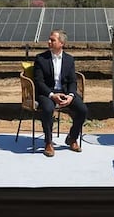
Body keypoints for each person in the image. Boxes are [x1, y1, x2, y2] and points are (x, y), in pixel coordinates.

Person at [32, 29, 88, 158]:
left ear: (61, 43)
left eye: (52, 40)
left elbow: (72, 81)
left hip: (65, 93)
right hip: (47, 93)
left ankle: (72, 138)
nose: (49, 42)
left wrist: (71, 96)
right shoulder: (41, 58)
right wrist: (52, 95)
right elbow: (39, 82)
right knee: (47, 109)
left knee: (83, 110)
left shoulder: (69, 59)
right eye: (49, 39)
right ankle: (48, 142)